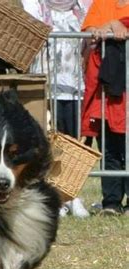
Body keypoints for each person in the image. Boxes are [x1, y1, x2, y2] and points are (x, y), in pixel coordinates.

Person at [22, 0, 92, 218]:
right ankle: (53, 195)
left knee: (74, 143)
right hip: (45, 83)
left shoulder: (83, 5)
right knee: (49, 141)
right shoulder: (35, 4)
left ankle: (73, 195)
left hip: (75, 85)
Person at [81, 0, 129, 216]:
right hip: (106, 88)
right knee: (109, 146)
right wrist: (110, 26)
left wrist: (113, 24)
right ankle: (111, 202)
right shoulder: (102, 2)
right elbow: (90, 30)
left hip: (125, 84)